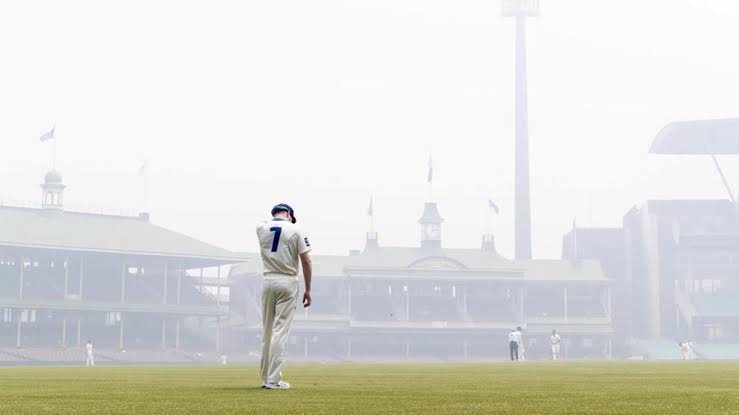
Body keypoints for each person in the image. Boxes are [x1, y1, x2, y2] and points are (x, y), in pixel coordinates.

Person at [257, 203, 312, 390]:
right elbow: (306, 260)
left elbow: (266, 224)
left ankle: (265, 378)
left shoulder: (261, 229)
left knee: (267, 332)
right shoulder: (296, 230)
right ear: (288, 214)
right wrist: (308, 289)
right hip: (287, 280)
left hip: (267, 280)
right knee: (280, 332)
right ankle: (273, 380)